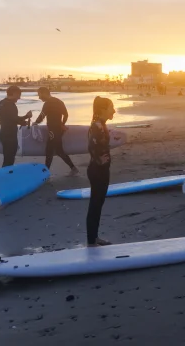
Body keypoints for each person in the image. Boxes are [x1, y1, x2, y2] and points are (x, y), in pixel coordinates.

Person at [86, 96, 116, 247]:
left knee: (98, 204)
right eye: (111, 107)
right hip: (98, 171)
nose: (114, 111)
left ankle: (94, 238)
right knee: (95, 205)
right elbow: (91, 147)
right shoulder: (97, 126)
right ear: (103, 109)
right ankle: (92, 240)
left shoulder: (100, 124)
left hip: (100, 170)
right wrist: (101, 161)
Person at [33, 87, 79, 175]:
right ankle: (73, 169)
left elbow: (42, 115)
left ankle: (46, 173)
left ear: (45, 93)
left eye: (40, 95)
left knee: (49, 151)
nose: (39, 97)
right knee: (58, 151)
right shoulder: (59, 101)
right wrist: (62, 124)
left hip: (52, 131)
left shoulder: (48, 103)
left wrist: (35, 123)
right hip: (59, 130)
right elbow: (66, 114)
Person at [0, 85, 33, 167]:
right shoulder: (10, 105)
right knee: (9, 159)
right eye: (18, 95)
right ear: (14, 93)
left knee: (8, 158)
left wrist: (24, 120)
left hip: (4, 134)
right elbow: (14, 119)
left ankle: (6, 175)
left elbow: (10, 119)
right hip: (9, 136)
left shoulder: (2, 103)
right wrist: (26, 117)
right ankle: (6, 176)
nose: (19, 98)